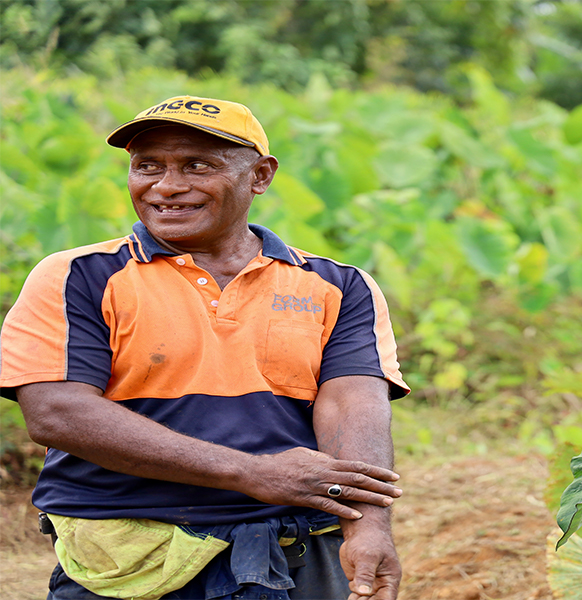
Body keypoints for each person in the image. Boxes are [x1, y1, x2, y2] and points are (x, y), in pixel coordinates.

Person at [0, 95, 410, 600]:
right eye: (147, 166)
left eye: (198, 166)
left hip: (298, 550)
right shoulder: (76, 276)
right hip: (128, 557)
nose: (167, 187)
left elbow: (354, 407)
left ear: (260, 176)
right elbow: (57, 414)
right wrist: (252, 473)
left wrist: (369, 528)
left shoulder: (337, 286)